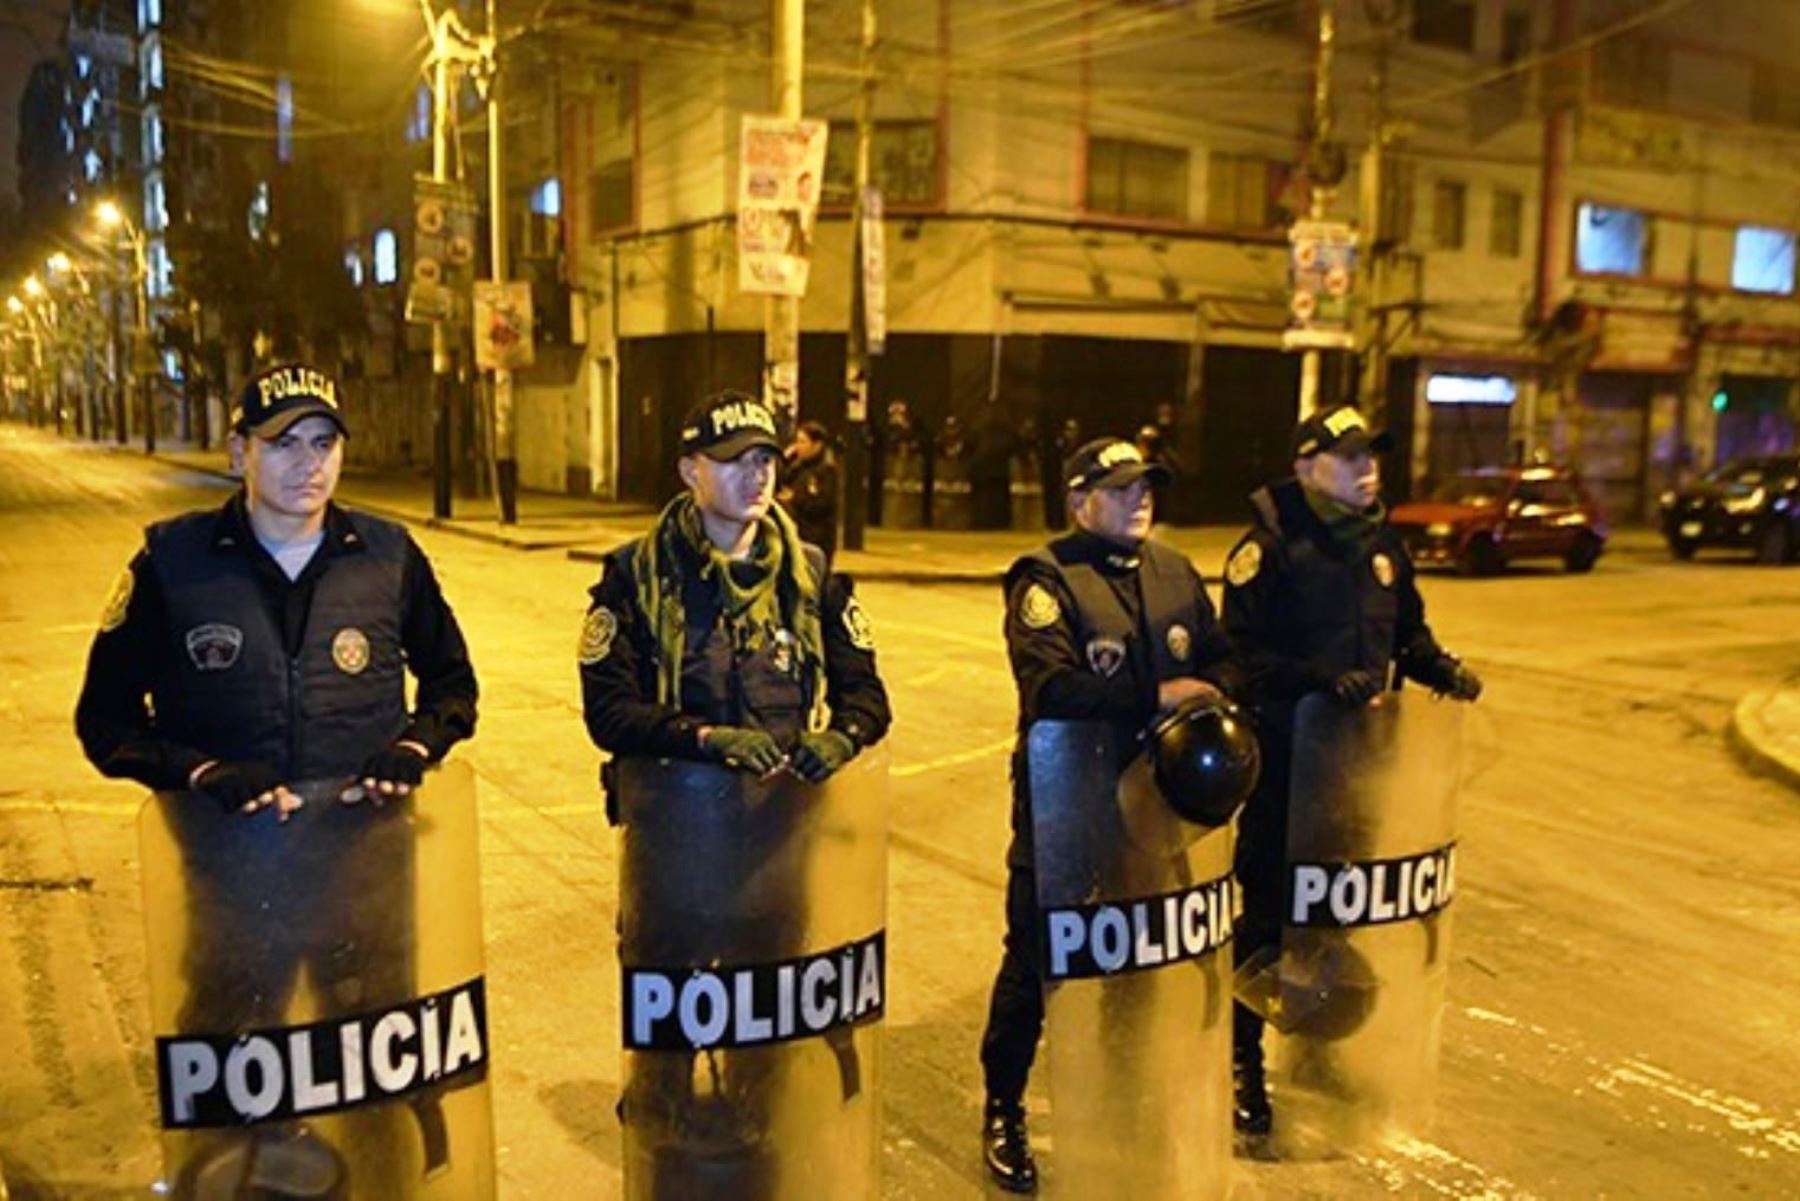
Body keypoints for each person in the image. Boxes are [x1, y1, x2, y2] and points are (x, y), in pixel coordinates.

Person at [74, 362, 479, 1184]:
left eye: (325, 442)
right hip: (233, 872)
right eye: (284, 443)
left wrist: (417, 745)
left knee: (374, 1059)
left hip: (363, 870)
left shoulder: (390, 557)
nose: (310, 463)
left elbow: (452, 686)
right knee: (234, 1057)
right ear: (238, 454)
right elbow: (104, 721)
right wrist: (199, 769)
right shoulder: (172, 565)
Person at [579, 388, 891, 1191]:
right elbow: (609, 711)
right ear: (690, 471)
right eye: (733, 461)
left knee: (772, 1031)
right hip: (673, 850)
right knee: (672, 1038)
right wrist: (704, 739)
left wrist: (841, 737)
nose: (755, 476)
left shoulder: (815, 576)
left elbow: (868, 696)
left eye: (765, 459)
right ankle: (664, 1158)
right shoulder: (634, 578)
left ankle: (766, 1157)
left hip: (779, 840)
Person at [978, 436, 1241, 1194]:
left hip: (1162, 813)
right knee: (1037, 955)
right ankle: (1004, 1105)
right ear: (1080, 499)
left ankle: (1125, 1092)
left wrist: (1210, 690)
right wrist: (1158, 697)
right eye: (1122, 488)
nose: (1141, 499)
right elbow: (1051, 688)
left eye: (1147, 486)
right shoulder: (1046, 577)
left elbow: (1226, 663)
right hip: (1067, 807)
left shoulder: (1175, 571)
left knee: (1141, 959)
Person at [1220, 404, 1481, 1138]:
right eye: (1350, 456)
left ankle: (1310, 1046)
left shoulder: (1381, 546)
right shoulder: (1268, 547)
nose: (1369, 468)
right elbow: (1238, 657)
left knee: (1332, 915)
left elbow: (1407, 631)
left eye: (1373, 455)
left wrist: (1439, 668)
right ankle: (1240, 1060)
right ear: (1307, 466)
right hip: (1284, 765)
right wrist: (1312, 681)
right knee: (1272, 919)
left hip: (1357, 768)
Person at [778, 418, 839, 565]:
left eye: (803, 442)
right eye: (797, 441)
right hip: (797, 535)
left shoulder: (825, 470)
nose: (798, 446)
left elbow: (821, 503)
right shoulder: (799, 466)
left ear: (817, 445)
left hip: (816, 539)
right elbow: (779, 480)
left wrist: (794, 498)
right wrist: (784, 459)